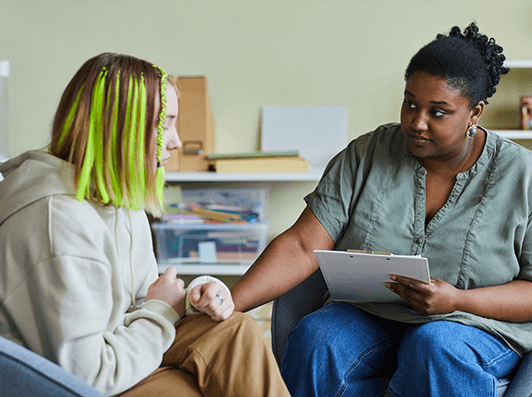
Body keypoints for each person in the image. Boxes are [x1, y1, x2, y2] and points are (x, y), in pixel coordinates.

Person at [231, 22, 532, 397]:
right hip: (373, 314)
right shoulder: (367, 153)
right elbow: (301, 245)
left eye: (438, 112)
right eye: (410, 104)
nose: (416, 123)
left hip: (475, 324)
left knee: (434, 344)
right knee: (318, 336)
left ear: (474, 113)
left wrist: (457, 299)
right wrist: (229, 304)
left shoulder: (522, 176)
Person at [0, 53, 290, 397]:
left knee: (238, 329)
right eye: (164, 124)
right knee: (192, 389)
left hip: (115, 351)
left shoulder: (119, 201)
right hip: (72, 382)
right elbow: (87, 377)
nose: (177, 141)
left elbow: (141, 300)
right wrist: (162, 309)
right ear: (120, 127)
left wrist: (194, 298)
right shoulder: (56, 221)